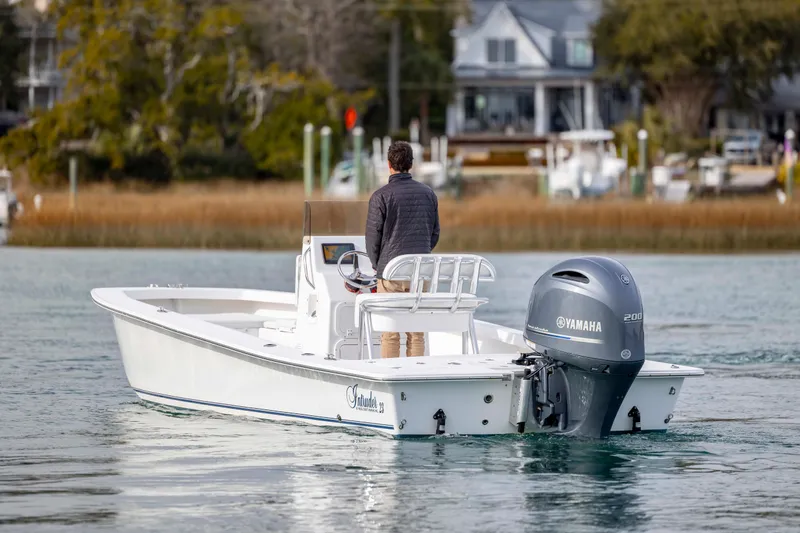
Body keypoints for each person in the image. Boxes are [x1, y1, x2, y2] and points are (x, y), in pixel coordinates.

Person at [365, 140, 440, 358]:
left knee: (390, 333)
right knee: (416, 333)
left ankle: (391, 374)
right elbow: (434, 234)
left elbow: (372, 240)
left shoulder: (380, 196)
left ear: (389, 164)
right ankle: (414, 373)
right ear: (411, 164)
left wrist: (377, 265)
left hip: (390, 272)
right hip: (420, 272)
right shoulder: (429, 194)